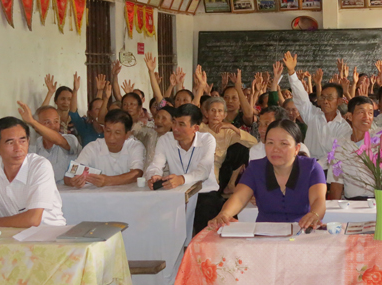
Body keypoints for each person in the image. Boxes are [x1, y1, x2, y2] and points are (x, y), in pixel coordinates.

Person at [208, 119, 327, 229]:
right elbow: (239, 197)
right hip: (265, 233)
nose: (275, 149)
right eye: (270, 143)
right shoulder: (256, 168)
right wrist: (225, 214)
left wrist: (314, 214)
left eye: (283, 144)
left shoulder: (311, 168)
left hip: (301, 230)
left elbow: (318, 199)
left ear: (297, 148)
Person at [0, 117, 66, 238]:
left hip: (48, 235)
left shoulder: (39, 166)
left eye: (23, 141)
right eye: (10, 142)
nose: (18, 149)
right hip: (9, 235)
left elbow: (33, 219)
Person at [327, 59, 382, 200]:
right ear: (350, 116)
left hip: (377, 202)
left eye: (370, 113)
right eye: (361, 112)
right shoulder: (340, 145)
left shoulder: (378, 137)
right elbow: (336, 184)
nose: (367, 117)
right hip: (350, 203)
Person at [145, 104, 220, 234]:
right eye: (174, 122)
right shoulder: (165, 140)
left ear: (195, 128)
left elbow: (204, 171)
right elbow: (156, 165)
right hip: (176, 193)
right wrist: (154, 176)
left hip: (204, 192)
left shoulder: (207, 140)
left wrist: (182, 179)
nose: (175, 128)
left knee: (206, 215)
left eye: (181, 124)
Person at [283, 51, 352, 170]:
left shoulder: (344, 128)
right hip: (307, 163)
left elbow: (337, 152)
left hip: (329, 170)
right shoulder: (313, 114)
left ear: (339, 101)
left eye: (330, 98)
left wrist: (316, 167)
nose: (325, 101)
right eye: (323, 97)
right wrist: (292, 72)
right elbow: (301, 98)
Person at [64, 109, 145, 188]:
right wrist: (72, 181)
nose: (111, 138)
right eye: (108, 131)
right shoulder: (93, 147)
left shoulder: (135, 146)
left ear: (127, 134)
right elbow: (68, 176)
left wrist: (108, 180)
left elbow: (137, 173)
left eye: (117, 133)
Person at [199, 97, 257, 189]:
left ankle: (230, 185)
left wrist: (232, 127)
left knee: (242, 148)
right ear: (206, 113)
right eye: (212, 110)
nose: (216, 114)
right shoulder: (199, 128)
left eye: (220, 111)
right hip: (198, 165)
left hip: (217, 169)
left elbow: (254, 143)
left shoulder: (228, 132)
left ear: (224, 115)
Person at [18, 103, 81, 183]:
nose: (53, 126)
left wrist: (32, 122)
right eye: (47, 122)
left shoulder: (70, 139)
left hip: (70, 192)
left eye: (56, 121)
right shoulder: (33, 147)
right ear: (37, 128)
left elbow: (58, 140)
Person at [68, 73, 104, 146]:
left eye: (103, 109)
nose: (100, 112)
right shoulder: (84, 127)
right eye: (97, 109)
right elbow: (73, 113)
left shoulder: (111, 128)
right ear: (90, 112)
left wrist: (100, 90)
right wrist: (75, 91)